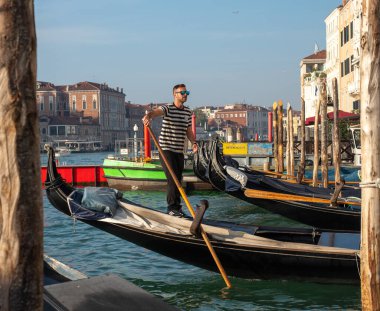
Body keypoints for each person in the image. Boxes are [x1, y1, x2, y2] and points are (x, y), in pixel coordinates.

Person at [142, 84, 197, 217]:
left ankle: (177, 208)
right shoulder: (168, 108)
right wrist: (149, 116)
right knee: (173, 179)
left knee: (178, 179)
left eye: (187, 92)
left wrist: (194, 142)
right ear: (175, 94)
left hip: (179, 151)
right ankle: (172, 208)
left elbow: (188, 131)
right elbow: (156, 112)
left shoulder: (188, 112)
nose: (185, 95)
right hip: (166, 149)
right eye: (183, 92)